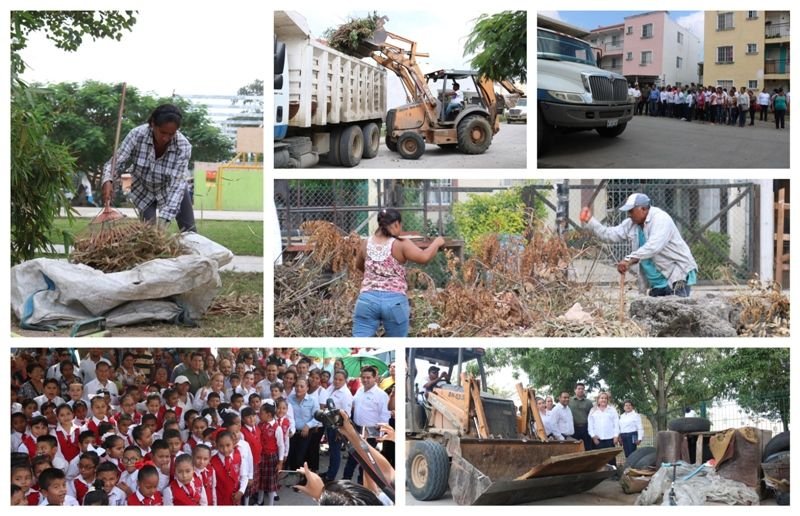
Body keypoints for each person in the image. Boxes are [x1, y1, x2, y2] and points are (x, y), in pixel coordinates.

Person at [580, 193, 698, 297]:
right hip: (656, 282)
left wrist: (628, 260)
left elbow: (653, 247)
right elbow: (609, 235)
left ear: (643, 209)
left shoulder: (661, 219)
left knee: (677, 314)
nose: (629, 214)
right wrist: (590, 220)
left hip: (677, 275)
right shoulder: (632, 224)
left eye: (631, 211)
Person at [100, 104, 196, 232]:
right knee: (148, 235)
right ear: (152, 124)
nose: (165, 138)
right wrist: (108, 180)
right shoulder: (137, 135)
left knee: (190, 231)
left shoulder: (183, 147)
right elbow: (115, 164)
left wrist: (164, 221)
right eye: (162, 132)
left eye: (171, 134)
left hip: (171, 189)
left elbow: (176, 185)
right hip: (143, 190)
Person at [352, 208, 444, 337]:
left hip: (367, 301)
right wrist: (437, 242)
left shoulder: (366, 243)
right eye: (400, 225)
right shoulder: (401, 244)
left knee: (359, 343)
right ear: (396, 224)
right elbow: (424, 257)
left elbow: (359, 266)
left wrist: (375, 277)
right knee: (398, 343)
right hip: (395, 302)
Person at [587, 392, 620, 466]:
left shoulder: (612, 410)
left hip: (610, 438)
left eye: (605, 398)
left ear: (607, 400)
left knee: (611, 458)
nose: (603, 400)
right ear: (598, 400)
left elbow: (616, 424)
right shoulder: (593, 410)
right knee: (599, 458)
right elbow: (590, 425)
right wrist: (593, 437)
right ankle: (600, 475)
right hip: (598, 439)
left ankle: (613, 475)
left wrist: (616, 436)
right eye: (602, 398)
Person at [568, 383, 593, 451]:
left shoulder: (589, 402)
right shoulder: (569, 401)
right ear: (575, 390)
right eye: (579, 389)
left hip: (586, 428)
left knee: (588, 447)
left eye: (582, 389)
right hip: (574, 428)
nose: (581, 390)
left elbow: (592, 416)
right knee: (575, 448)